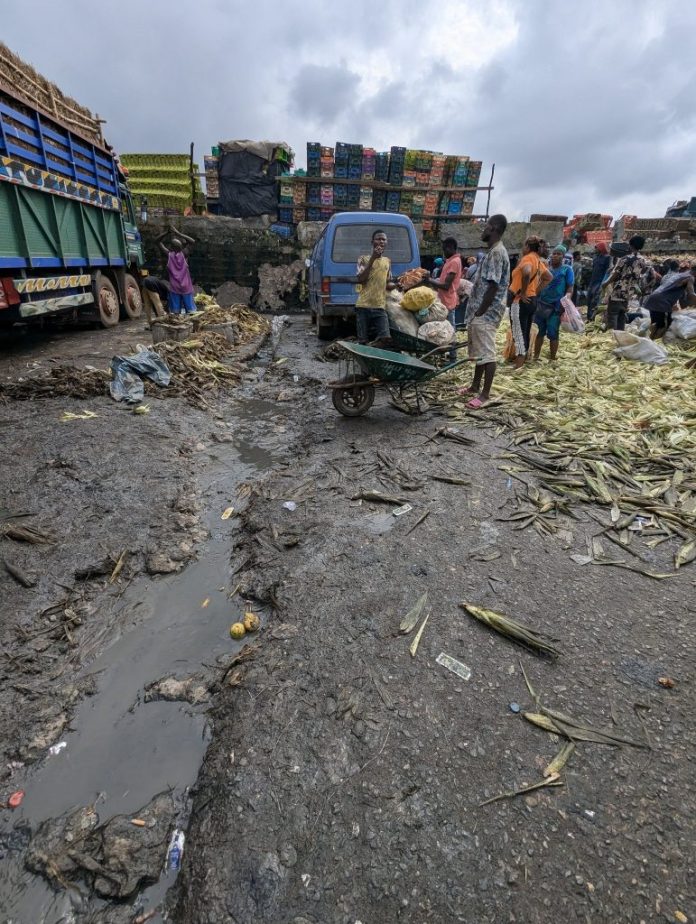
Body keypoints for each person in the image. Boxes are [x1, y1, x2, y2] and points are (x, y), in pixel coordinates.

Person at [458, 214, 510, 409]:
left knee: (487, 354)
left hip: (487, 313)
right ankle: (474, 387)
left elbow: (493, 286)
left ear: (494, 228)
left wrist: (480, 311)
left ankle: (485, 394)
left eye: (486, 226)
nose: (483, 229)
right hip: (481, 312)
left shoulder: (497, 252)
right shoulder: (493, 251)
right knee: (479, 352)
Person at [508, 236, 552, 368]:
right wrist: (534, 291)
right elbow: (548, 277)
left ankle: (519, 364)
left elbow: (527, 272)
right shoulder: (538, 261)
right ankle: (523, 360)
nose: (522, 249)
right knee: (525, 330)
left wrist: (523, 292)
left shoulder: (527, 258)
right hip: (532, 300)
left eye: (523, 246)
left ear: (527, 246)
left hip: (520, 301)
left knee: (518, 331)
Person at [602, 235, 656, 330]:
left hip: (618, 291)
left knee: (613, 315)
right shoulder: (643, 260)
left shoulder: (624, 259)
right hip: (629, 292)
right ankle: (620, 334)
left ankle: (611, 337)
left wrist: (605, 283)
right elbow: (642, 273)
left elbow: (615, 273)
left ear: (630, 245)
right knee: (622, 315)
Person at [533, 245, 574, 362]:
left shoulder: (567, 270)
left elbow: (570, 287)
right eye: (554, 253)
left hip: (556, 306)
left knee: (553, 332)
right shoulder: (546, 268)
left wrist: (566, 300)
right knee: (539, 332)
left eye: (558, 254)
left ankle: (552, 358)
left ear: (563, 256)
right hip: (542, 304)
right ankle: (536, 356)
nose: (555, 256)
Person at [355, 229, 393, 344]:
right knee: (363, 341)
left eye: (383, 239)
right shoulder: (363, 259)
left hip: (380, 307)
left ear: (386, 243)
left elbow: (387, 283)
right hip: (363, 307)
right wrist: (373, 258)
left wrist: (398, 285)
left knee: (385, 339)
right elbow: (361, 279)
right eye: (378, 239)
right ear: (372, 242)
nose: (381, 241)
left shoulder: (387, 261)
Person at [644, 265, 696, 338]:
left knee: (655, 324)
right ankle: (655, 343)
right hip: (661, 302)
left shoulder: (680, 275)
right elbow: (691, 294)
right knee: (665, 326)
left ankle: (650, 342)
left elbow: (681, 295)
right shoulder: (690, 277)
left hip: (654, 298)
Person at [158, 225, 196, 314]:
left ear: (171, 248)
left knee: (176, 312)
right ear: (181, 247)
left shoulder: (169, 255)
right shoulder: (184, 254)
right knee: (191, 312)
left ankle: (177, 326)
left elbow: (157, 242)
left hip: (175, 288)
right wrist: (178, 233)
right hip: (186, 287)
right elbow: (192, 241)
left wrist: (166, 233)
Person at [586, 243, 611, 321]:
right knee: (589, 299)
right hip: (593, 281)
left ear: (600, 249)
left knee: (595, 300)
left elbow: (607, 271)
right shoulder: (596, 258)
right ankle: (589, 316)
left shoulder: (607, 258)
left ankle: (593, 317)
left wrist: (604, 282)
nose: (595, 250)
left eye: (596, 248)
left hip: (600, 281)